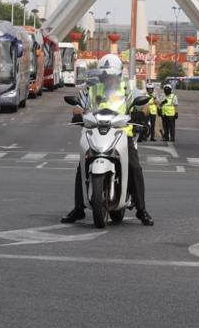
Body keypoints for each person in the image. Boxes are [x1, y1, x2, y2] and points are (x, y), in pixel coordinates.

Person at [61, 55, 154, 226]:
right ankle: (79, 208)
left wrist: (141, 112)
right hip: (95, 130)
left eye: (110, 75)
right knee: (82, 166)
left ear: (118, 75)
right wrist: (77, 112)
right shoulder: (92, 89)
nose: (107, 78)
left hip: (121, 133)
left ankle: (141, 210)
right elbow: (79, 105)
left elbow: (144, 105)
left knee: (134, 167)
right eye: (104, 75)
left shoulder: (128, 87)